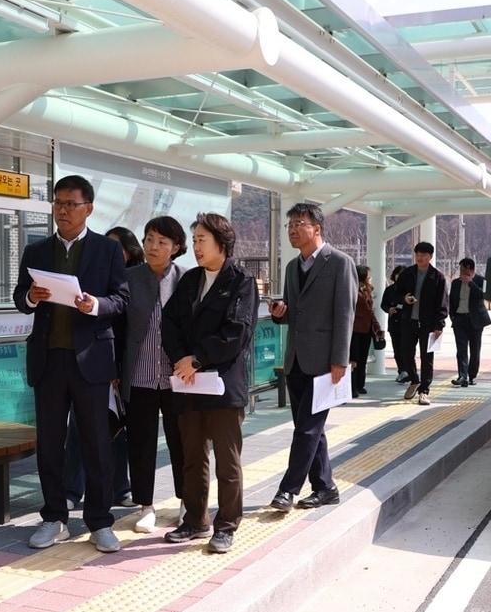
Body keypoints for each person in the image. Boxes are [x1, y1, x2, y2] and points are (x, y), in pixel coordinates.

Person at [14, 175, 130, 553]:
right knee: (50, 443)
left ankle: (100, 521)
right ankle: (54, 517)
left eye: (71, 204)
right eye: (58, 203)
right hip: (48, 360)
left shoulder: (107, 250)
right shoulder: (36, 251)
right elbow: (20, 297)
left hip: (91, 361)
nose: (62, 210)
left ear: (88, 209)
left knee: (96, 443)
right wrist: (31, 297)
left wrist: (94, 305)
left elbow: (121, 300)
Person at [162, 213, 257, 553]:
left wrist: (197, 359)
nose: (197, 247)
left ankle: (226, 526)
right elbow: (169, 322)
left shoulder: (241, 281)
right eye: (195, 240)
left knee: (227, 462)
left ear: (222, 243)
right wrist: (181, 360)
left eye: (202, 240)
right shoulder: (191, 280)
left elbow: (237, 332)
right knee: (192, 457)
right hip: (189, 383)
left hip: (222, 386)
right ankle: (194, 520)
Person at [268, 202, 356, 511]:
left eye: (299, 224)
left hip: (325, 363)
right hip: (295, 360)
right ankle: (325, 487)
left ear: (316, 228)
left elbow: (345, 314)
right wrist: (280, 313)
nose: (292, 230)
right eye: (290, 225)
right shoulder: (292, 267)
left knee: (306, 428)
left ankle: (287, 490)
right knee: (311, 430)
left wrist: (340, 360)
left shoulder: (341, 263)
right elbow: (293, 312)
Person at [63, 225, 144, 509]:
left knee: (117, 429)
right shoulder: (94, 277)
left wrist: (119, 370)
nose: (107, 252)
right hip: (91, 362)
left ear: (130, 251)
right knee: (78, 429)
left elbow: (129, 330)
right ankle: (72, 491)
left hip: (120, 367)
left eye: (115, 247)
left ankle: (120, 489)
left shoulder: (135, 281)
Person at [120, 216, 187, 534]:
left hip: (179, 378)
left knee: (182, 442)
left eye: (162, 241)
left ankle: (187, 502)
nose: (153, 246)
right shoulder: (128, 278)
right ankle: (145, 506)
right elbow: (117, 327)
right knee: (141, 443)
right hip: (139, 376)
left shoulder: (188, 279)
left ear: (176, 247)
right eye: (149, 239)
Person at [389, 241, 448, 406]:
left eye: (423, 255)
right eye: (417, 255)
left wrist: (439, 325)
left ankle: (424, 391)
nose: (419, 258)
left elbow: (443, 303)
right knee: (406, 353)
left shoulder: (438, 277)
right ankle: (414, 380)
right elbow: (395, 294)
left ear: (430, 257)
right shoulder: (407, 274)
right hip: (409, 321)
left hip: (429, 324)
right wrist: (404, 299)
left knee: (427, 358)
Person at [448, 257, 491, 386]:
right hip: (459, 320)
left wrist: (471, 283)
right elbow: (452, 301)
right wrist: (453, 317)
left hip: (476, 321)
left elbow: (483, 295)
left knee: (475, 349)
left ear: (471, 270)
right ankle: (462, 376)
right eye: (461, 270)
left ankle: (472, 375)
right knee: (461, 350)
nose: (462, 273)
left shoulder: (481, 281)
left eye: (465, 270)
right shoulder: (455, 283)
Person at [349, 265, 384, 397]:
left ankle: (360, 384)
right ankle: (352, 387)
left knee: (363, 358)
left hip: (366, 329)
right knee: (354, 359)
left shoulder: (367, 290)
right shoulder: (352, 290)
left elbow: (370, 312)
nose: (370, 278)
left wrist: (377, 328)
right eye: (368, 276)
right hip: (354, 330)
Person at [381, 265, 414, 384]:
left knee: (407, 349)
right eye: (398, 274)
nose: (399, 277)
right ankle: (402, 371)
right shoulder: (389, 289)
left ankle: (409, 371)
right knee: (397, 350)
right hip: (394, 322)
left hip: (408, 322)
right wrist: (389, 309)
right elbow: (383, 304)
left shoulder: (410, 289)